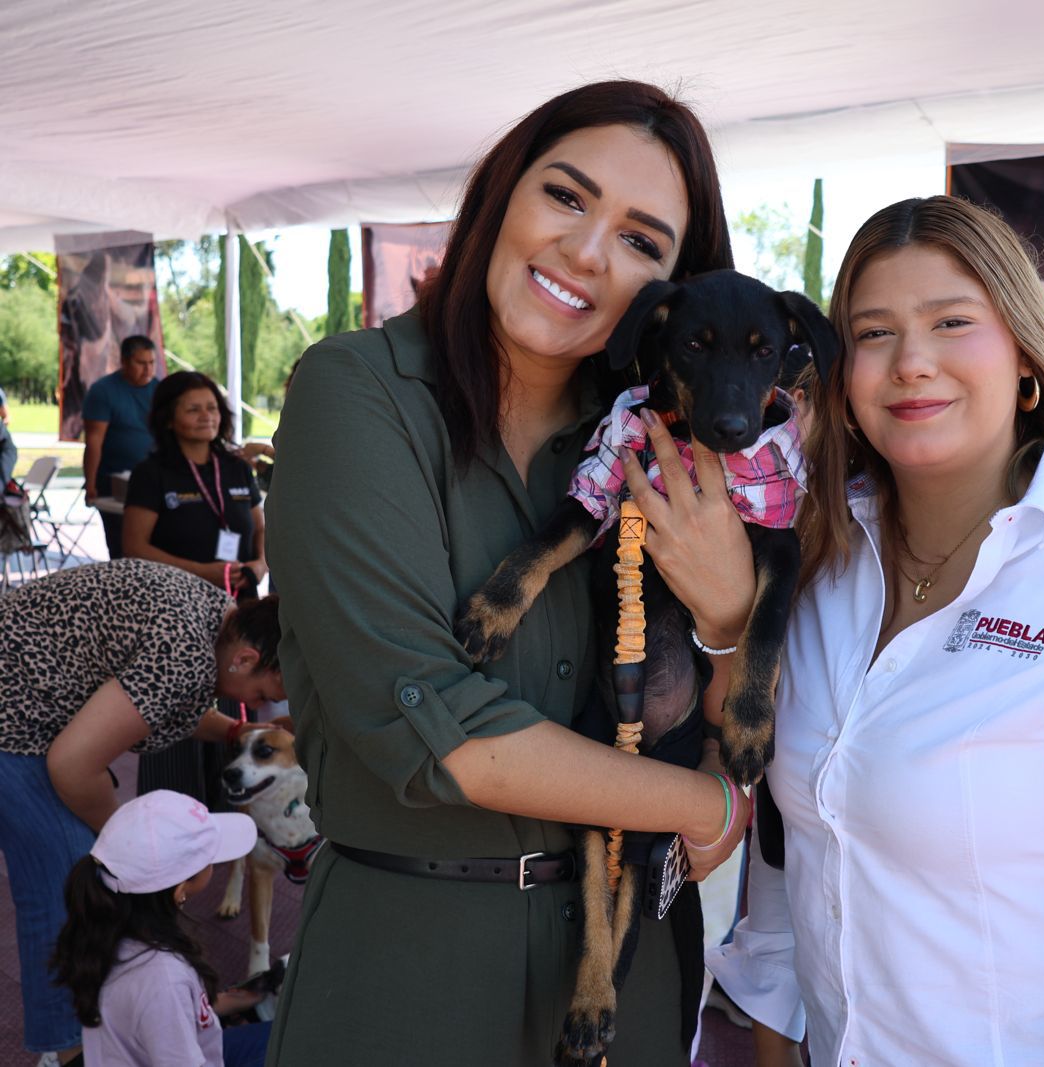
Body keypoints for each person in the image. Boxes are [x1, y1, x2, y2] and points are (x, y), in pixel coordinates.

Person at [264, 81, 754, 1066]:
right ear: (500, 194)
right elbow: (440, 730)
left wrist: (732, 616)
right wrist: (708, 807)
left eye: (641, 240)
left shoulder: (658, 448)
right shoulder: (359, 393)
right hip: (418, 969)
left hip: (630, 974)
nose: (587, 250)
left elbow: (737, 715)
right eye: (566, 196)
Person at [711, 196, 1044, 1065]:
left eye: (952, 322)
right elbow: (789, 852)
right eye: (874, 333)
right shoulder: (817, 568)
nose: (912, 361)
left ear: (1027, 356)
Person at [0, 559, 283, 1065]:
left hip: (27, 690)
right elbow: (72, 765)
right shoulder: (183, 652)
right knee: (70, 876)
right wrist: (130, 842)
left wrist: (234, 731)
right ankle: (68, 1051)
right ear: (245, 659)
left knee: (86, 870)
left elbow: (158, 701)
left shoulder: (218, 618)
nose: (259, 706)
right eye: (261, 695)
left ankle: (92, 1028)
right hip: (12, 716)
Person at [52, 790, 273, 1067]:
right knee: (303, 1047)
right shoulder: (165, 978)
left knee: (286, 1037)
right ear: (180, 890)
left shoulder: (108, 928)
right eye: (211, 859)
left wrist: (223, 1003)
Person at [123, 371, 265, 596]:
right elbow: (134, 547)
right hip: (176, 602)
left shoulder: (238, 468)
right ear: (168, 419)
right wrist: (200, 573)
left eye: (212, 408)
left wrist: (261, 564)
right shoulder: (150, 473)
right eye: (193, 410)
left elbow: (261, 529)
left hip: (241, 602)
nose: (206, 416)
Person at [82, 336, 160, 558]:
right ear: (124, 362)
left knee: (155, 544)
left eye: (151, 362)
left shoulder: (161, 390)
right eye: (141, 363)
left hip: (154, 479)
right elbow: (94, 441)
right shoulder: (103, 391)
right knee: (121, 546)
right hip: (114, 480)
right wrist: (91, 483)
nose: (148, 369)